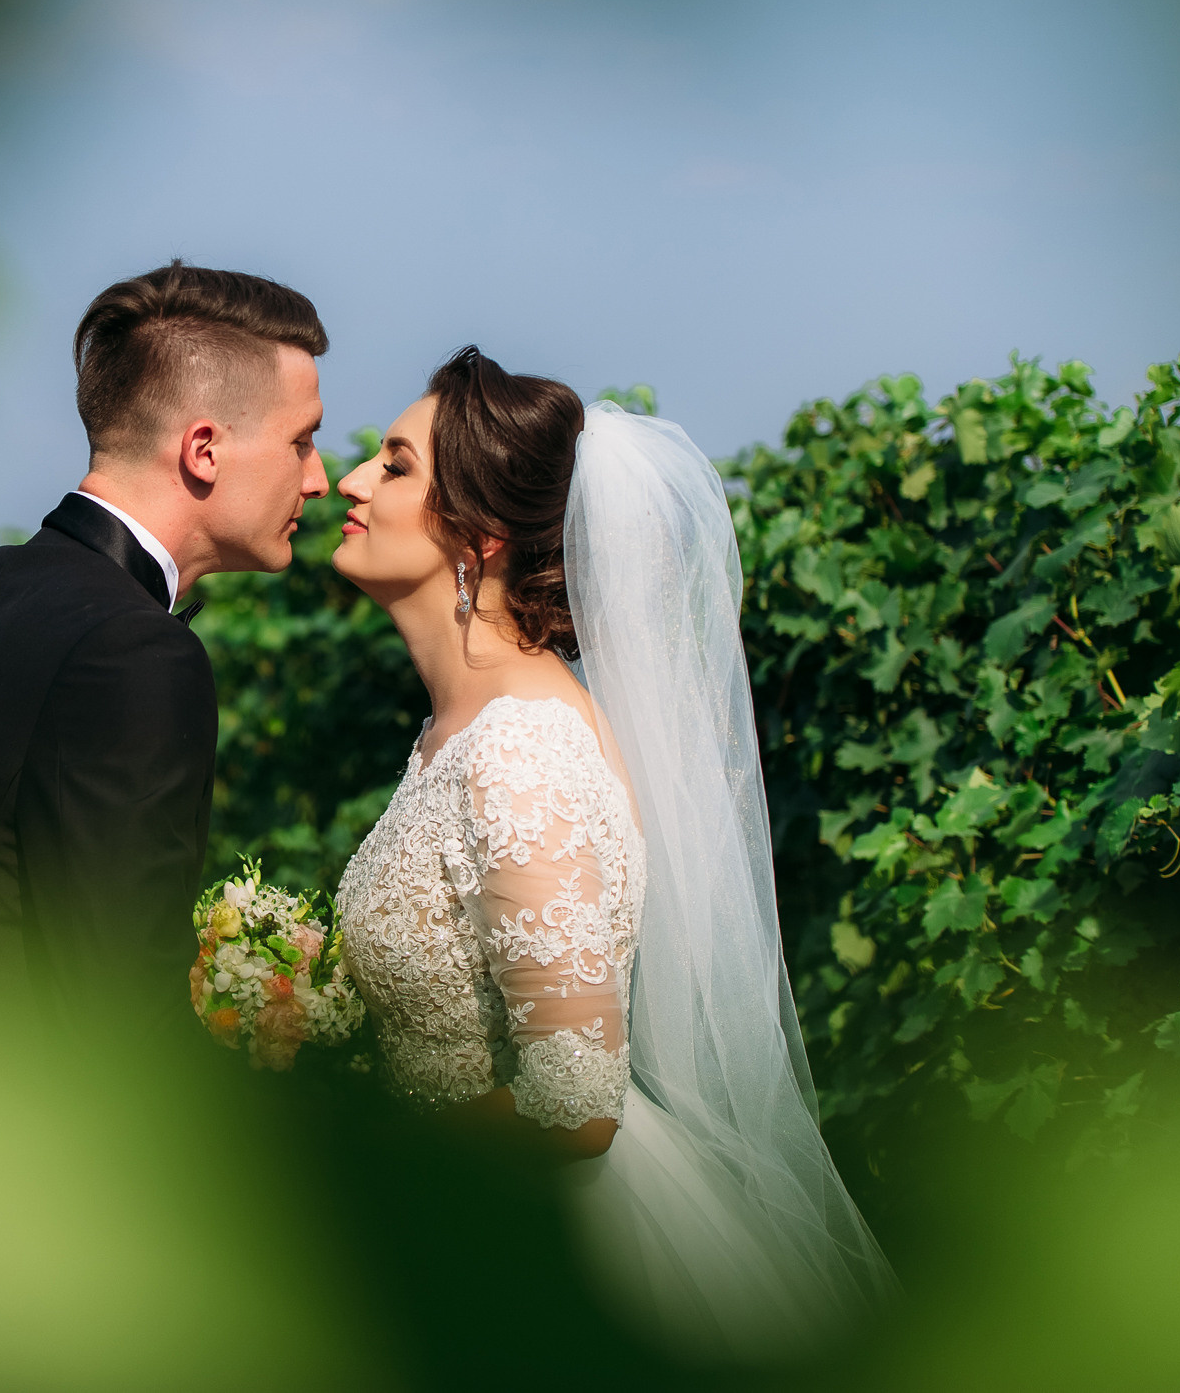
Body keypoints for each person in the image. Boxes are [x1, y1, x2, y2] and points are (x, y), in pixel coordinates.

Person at [328, 347, 897, 1360]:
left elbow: (575, 1104)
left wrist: (360, 1132)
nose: (349, 481)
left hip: (534, 1246)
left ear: (480, 537)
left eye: (395, 464)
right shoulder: (453, 734)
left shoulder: (523, 749)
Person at [0, 261, 329, 1038]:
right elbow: (122, 1011)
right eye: (302, 441)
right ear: (204, 449)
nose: (318, 478)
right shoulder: (132, 653)